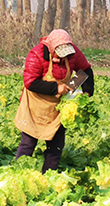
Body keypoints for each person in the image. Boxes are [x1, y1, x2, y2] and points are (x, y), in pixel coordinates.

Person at [14, 29, 94, 171]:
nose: (60, 59)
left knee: (55, 146)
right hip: (35, 106)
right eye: (58, 56)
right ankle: (18, 174)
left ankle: (49, 175)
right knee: (28, 143)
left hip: (57, 109)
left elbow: (85, 71)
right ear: (51, 49)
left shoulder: (73, 53)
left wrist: (74, 89)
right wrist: (56, 88)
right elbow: (30, 82)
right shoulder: (36, 54)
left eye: (64, 57)